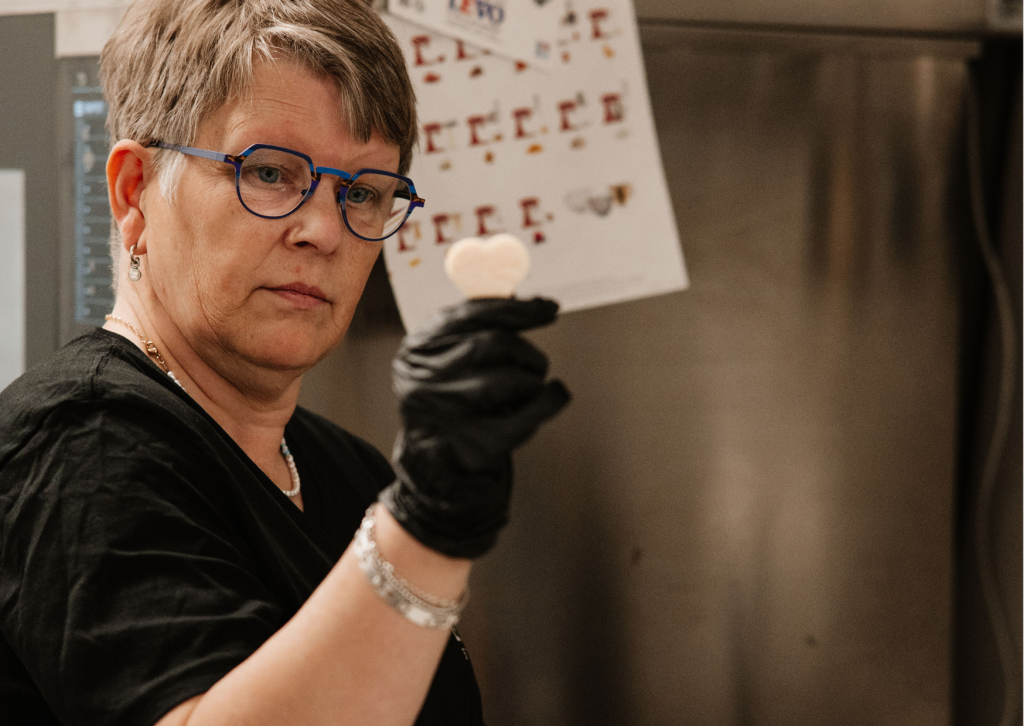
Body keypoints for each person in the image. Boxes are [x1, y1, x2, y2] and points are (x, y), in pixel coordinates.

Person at [0, 1, 569, 724]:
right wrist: (426, 528)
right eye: (269, 171)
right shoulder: (82, 441)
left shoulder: (353, 472)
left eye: (361, 192)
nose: (325, 230)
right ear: (134, 192)